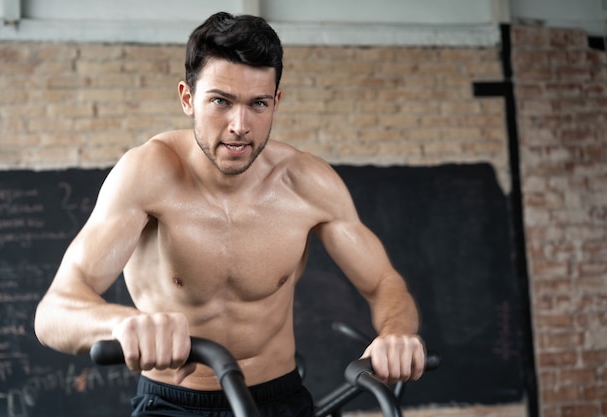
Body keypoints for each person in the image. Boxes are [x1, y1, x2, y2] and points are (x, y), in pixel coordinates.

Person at [34, 11, 426, 417]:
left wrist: (397, 334)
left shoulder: (308, 183)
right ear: (187, 98)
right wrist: (120, 325)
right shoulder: (146, 175)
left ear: (276, 101)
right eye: (221, 101)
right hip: (172, 403)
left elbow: (383, 282)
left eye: (258, 104)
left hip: (279, 400)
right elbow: (53, 313)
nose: (240, 125)